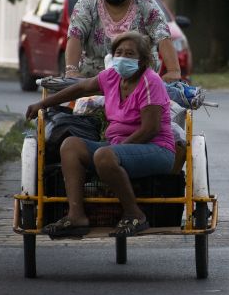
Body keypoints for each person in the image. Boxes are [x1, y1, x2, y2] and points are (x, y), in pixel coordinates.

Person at [25, 31, 175, 238]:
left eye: (130, 54)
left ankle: (135, 215)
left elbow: (150, 129)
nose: (122, 57)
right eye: (119, 52)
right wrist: (42, 104)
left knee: (104, 155)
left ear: (142, 60)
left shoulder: (150, 81)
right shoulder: (112, 76)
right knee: (71, 146)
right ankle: (76, 216)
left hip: (156, 148)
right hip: (119, 147)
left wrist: (114, 151)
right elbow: (81, 88)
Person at [65, 0, 181, 82]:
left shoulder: (146, 4)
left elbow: (163, 36)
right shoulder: (87, 3)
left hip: (139, 81)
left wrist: (173, 71)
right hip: (94, 81)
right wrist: (71, 70)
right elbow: (75, 35)